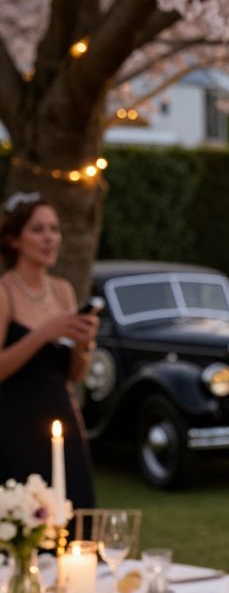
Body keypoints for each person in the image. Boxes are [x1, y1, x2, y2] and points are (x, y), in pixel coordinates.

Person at [0, 192, 98, 509]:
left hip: (61, 420)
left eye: (54, 229)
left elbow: (74, 374)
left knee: (73, 515)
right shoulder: (4, 292)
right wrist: (44, 333)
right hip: (15, 424)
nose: (49, 238)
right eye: (37, 229)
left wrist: (84, 343)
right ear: (14, 239)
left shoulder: (63, 290)